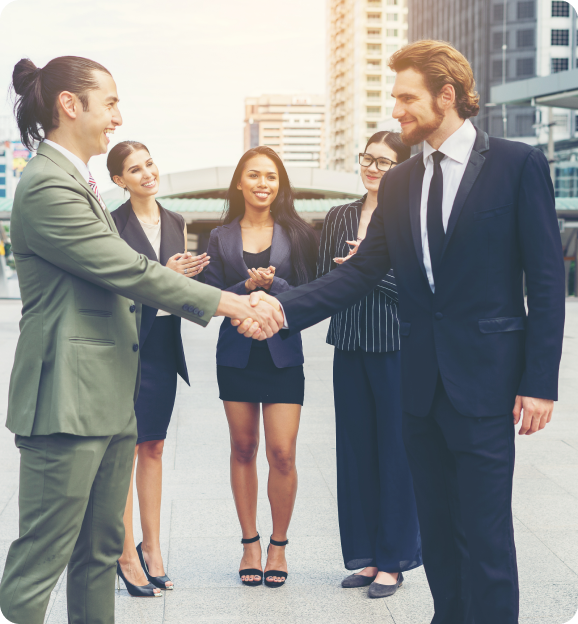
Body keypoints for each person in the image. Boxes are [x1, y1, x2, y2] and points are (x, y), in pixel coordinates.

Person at [244, 40, 565, 623]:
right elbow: (362, 273)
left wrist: (540, 381)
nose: (397, 111)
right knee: (438, 537)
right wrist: (281, 310)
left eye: (406, 98)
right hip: (418, 389)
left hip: (487, 384)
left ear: (447, 95)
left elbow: (546, 282)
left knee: (487, 536)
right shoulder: (400, 183)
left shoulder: (519, 165)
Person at [0, 56, 281, 624]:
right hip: (65, 404)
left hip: (107, 398)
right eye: (110, 103)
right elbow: (130, 271)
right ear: (69, 105)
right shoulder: (47, 185)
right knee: (41, 562)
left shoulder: (80, 182)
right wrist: (232, 304)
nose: (117, 117)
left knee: (100, 554)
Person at [204, 146, 318, 588]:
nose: (263, 184)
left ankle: (279, 545)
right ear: (239, 182)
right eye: (254, 175)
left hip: (283, 352)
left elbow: (311, 293)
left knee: (282, 453)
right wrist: (245, 285)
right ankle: (250, 543)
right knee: (244, 448)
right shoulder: (220, 236)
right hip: (235, 353)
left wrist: (277, 285)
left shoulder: (299, 233)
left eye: (271, 177)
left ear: (279, 184)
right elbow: (210, 295)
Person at [317, 131, 421, 599]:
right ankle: (365, 556)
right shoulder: (339, 215)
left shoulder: (410, 214)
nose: (373, 168)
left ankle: (394, 560)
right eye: (367, 159)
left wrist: (371, 266)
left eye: (384, 162)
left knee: (395, 454)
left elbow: (422, 289)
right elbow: (325, 281)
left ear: (401, 167)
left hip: (396, 348)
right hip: (349, 346)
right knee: (355, 452)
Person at [106, 141, 209, 595]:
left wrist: (185, 278)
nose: (147, 173)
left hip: (165, 344)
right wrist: (162, 273)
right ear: (119, 181)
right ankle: (126, 552)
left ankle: (153, 550)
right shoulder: (110, 225)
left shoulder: (176, 220)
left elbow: (175, 291)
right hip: (129, 346)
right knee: (125, 451)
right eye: (135, 169)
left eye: (149, 164)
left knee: (154, 447)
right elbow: (112, 290)